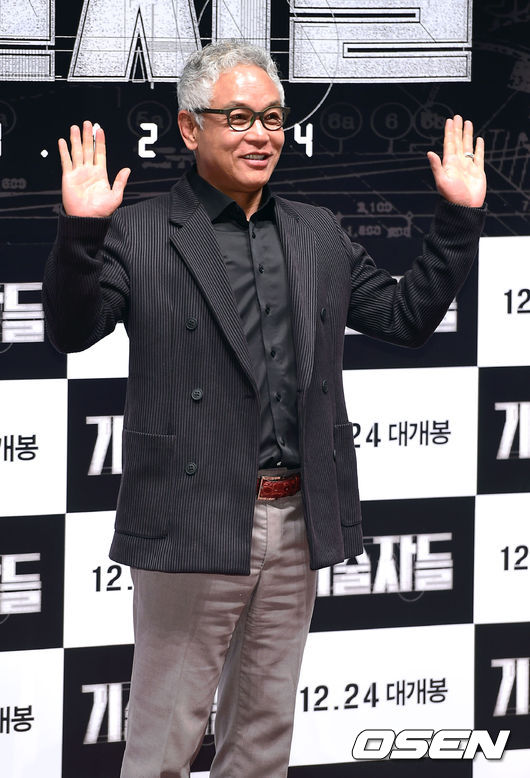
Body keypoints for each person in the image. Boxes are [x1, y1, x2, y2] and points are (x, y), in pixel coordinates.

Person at [43, 40, 486, 778]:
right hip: (190, 518)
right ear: (191, 128)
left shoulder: (317, 233)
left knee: (262, 743)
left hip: (297, 518)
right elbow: (71, 331)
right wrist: (82, 230)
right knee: (162, 745)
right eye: (240, 118)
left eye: (274, 118)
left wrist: (458, 219)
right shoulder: (140, 232)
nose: (261, 135)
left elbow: (406, 318)